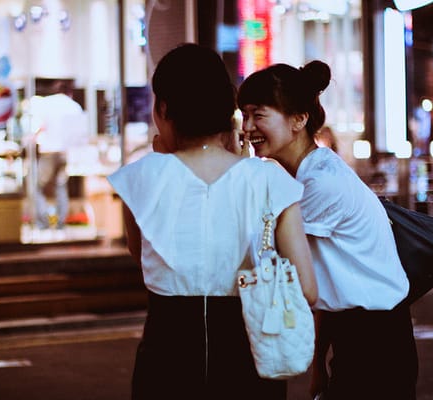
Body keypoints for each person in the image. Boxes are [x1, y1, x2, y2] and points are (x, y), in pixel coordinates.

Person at [107, 43, 318, 400]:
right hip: (250, 355)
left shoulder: (138, 178)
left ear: (164, 108)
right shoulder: (270, 181)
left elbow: (140, 253)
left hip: (166, 357)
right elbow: (307, 291)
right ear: (227, 111)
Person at [238, 61, 418, 400]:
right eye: (244, 115)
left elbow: (263, 254)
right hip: (355, 332)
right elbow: (321, 278)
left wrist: (233, 168)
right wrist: (320, 363)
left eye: (258, 115)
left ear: (299, 119)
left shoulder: (320, 183)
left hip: (376, 341)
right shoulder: (305, 174)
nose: (247, 128)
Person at [27, 81, 89, 229]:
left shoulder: (48, 104)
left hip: (49, 151)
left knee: (37, 187)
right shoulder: (75, 107)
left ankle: (42, 222)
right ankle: (61, 222)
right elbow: (80, 135)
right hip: (65, 153)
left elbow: (40, 127)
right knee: (60, 187)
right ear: (70, 92)